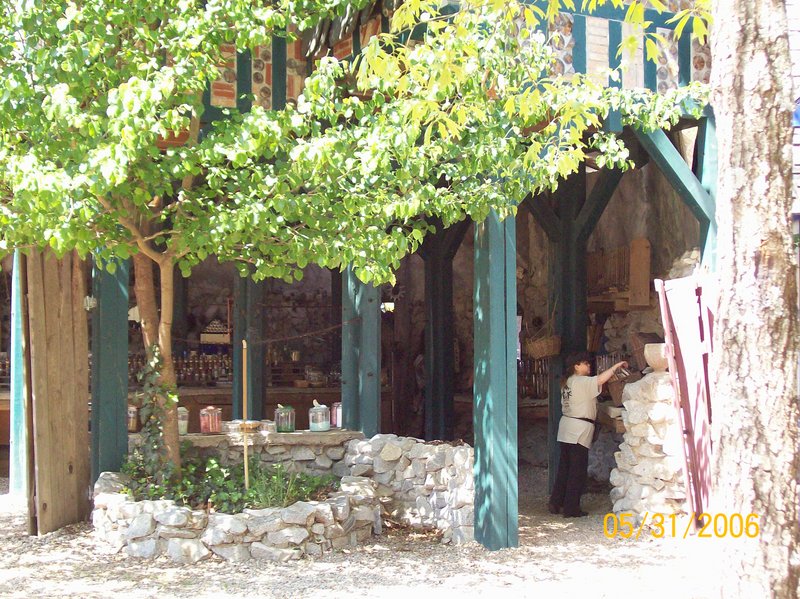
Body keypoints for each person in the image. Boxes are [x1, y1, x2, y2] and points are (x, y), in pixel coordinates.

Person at [548, 351, 628, 518]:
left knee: (565, 468)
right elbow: (600, 380)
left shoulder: (568, 382)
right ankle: (571, 508)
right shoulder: (581, 381)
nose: (588, 365)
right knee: (576, 471)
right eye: (585, 363)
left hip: (567, 428)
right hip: (578, 429)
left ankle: (556, 502)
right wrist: (615, 367)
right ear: (576, 366)